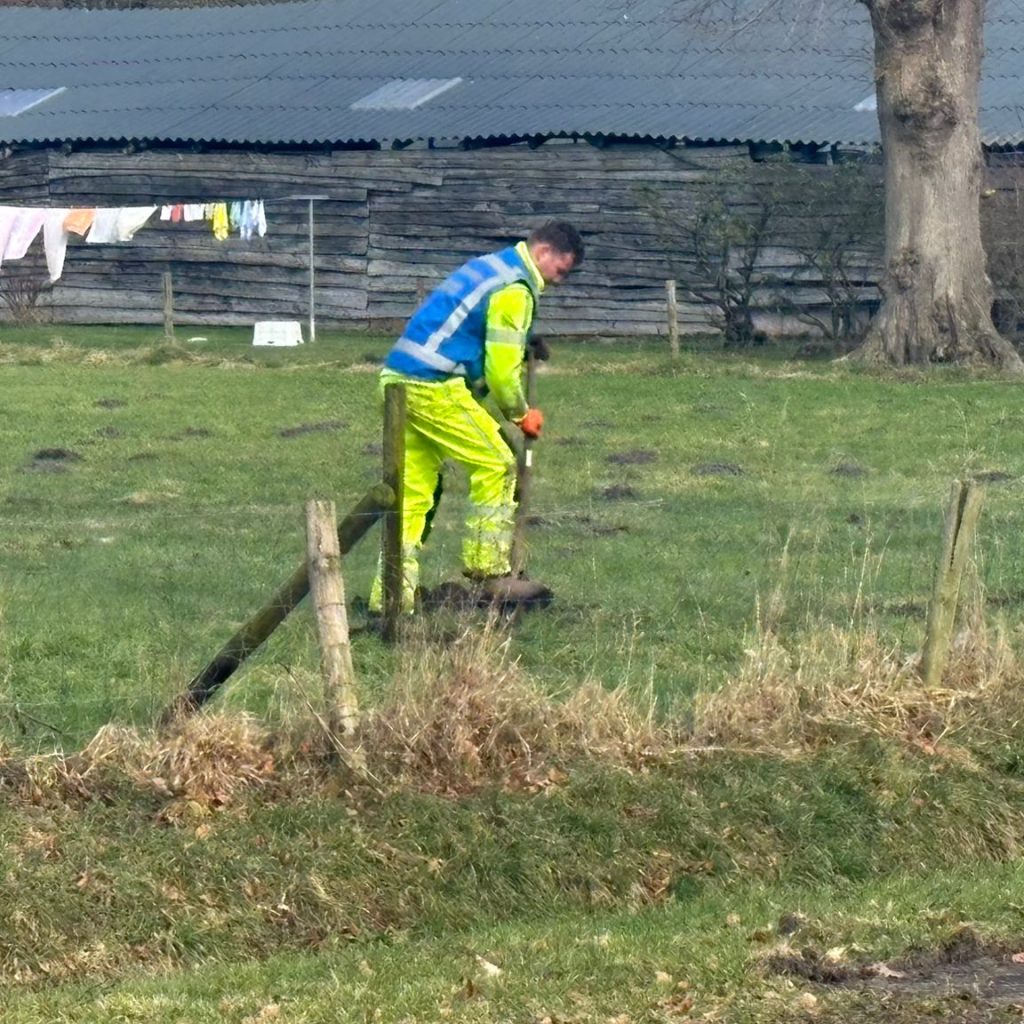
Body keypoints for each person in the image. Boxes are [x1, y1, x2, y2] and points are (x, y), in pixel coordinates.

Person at [369, 220, 585, 614]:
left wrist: (524, 341)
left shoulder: (491, 266)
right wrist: (521, 414)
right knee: (498, 464)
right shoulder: (515, 288)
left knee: (413, 494)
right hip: (432, 384)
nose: (559, 280)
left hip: (398, 380)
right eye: (561, 270)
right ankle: (490, 572)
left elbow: (472, 329)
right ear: (543, 253)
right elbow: (501, 374)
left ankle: (391, 599)